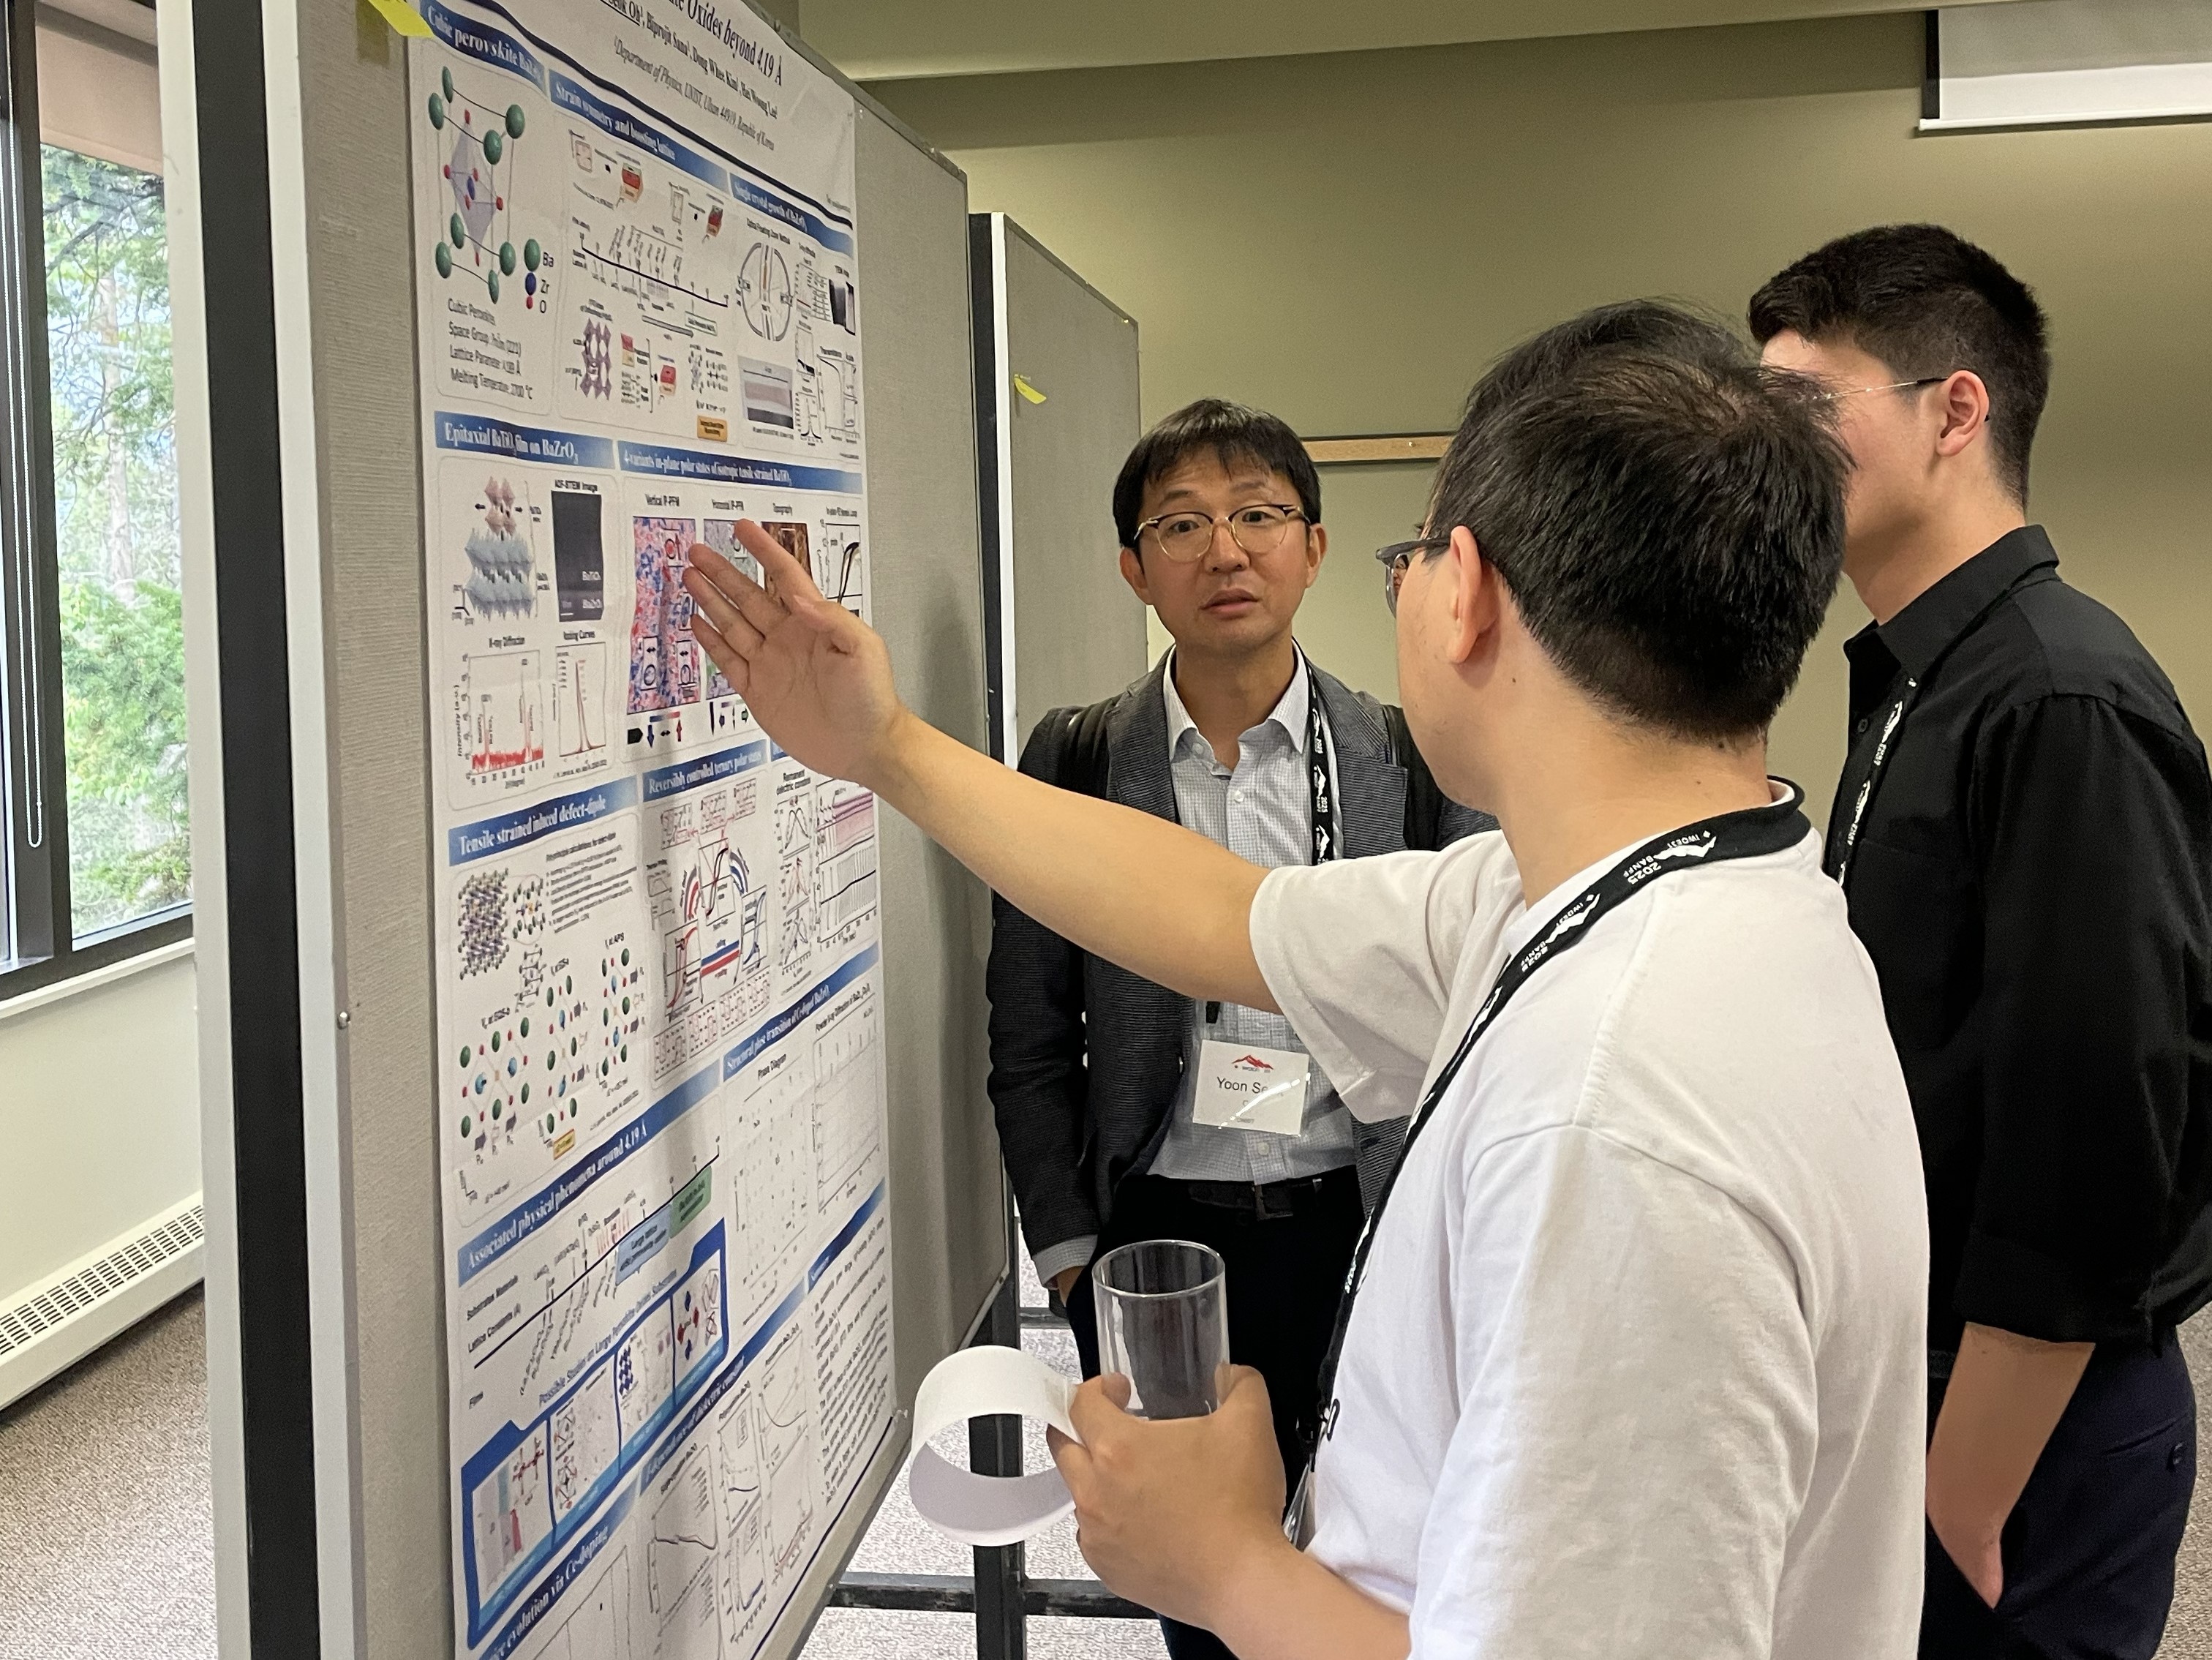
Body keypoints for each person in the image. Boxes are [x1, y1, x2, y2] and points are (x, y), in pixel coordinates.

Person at [680, 301, 1928, 1659]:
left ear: (1466, 593)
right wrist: (885, 748)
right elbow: (1222, 910)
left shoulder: (1614, 1117)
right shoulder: (1597, 897)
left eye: (1410, 554)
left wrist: (1225, 1566)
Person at [1754, 225, 2212, 1660]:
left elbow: (2099, 1129)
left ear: (1957, 410)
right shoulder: (1924, 678)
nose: (1768, 451)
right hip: (1922, 1380)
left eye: (1804, 407)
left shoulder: (2057, 693)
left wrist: (1963, 1487)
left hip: (2025, 1424)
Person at [988, 399, 1486, 1660]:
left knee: (1381, 1547)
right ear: (1134, 567)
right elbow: (1028, 1030)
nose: (1226, 550)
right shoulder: (1078, 757)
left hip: (1357, 1217)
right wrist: (1070, 1254)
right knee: (1200, 1581)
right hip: (1156, 1235)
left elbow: (1480, 1010)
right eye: (1182, 524)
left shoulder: (1405, 753)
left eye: (1259, 514)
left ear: (1314, 547)